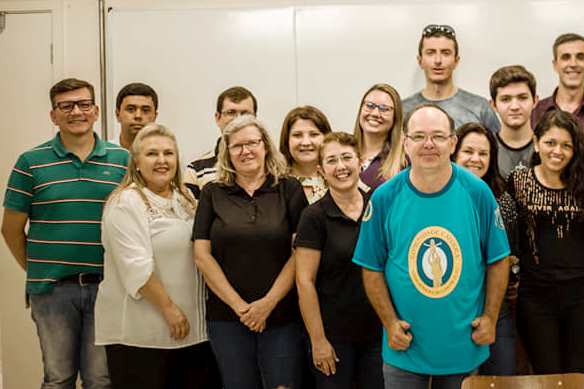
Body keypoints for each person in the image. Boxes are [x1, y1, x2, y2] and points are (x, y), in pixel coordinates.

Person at [354, 104, 510, 389]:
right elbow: (371, 266)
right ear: (405, 142)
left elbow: (498, 259)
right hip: (404, 349)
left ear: (452, 143)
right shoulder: (384, 197)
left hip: (462, 347)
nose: (428, 144)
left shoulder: (478, 193)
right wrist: (389, 323)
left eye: (438, 136)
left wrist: (490, 317)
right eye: (419, 136)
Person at [1, 78, 128, 389]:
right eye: (66, 106)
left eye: (84, 104)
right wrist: (39, 269)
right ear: (53, 115)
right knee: (58, 379)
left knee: (100, 380)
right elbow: (10, 229)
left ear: (96, 111)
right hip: (52, 291)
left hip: (108, 288)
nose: (76, 112)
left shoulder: (123, 160)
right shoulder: (30, 163)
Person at [95, 123, 217, 389]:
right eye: (152, 154)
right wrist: (169, 309)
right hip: (141, 335)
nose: (162, 160)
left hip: (192, 333)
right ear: (136, 162)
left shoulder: (184, 198)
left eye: (168, 153)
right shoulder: (126, 203)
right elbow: (135, 266)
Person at [192, 115, 308, 389]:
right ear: (227, 153)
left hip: (281, 315)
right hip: (227, 318)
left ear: (265, 146)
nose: (246, 151)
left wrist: (267, 304)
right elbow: (201, 256)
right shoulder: (212, 192)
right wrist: (241, 307)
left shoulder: (289, 189)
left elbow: (300, 254)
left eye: (252, 143)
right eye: (237, 146)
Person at [505, 111, 584, 386]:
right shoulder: (519, 181)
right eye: (550, 143)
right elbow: (508, 236)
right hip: (535, 297)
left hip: (582, 295)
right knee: (548, 376)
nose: (557, 151)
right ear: (536, 143)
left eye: (566, 145)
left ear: (575, 150)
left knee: (582, 375)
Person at [295, 132, 384, 389]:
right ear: (322, 170)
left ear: (359, 163)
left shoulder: (377, 208)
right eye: (332, 161)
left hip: (377, 335)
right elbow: (304, 282)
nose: (341, 166)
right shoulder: (313, 217)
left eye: (347, 158)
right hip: (332, 338)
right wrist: (318, 340)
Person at [452, 122, 518, 376]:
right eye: (468, 152)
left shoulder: (502, 201)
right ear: (454, 153)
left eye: (483, 153)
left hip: (495, 309)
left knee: (502, 377)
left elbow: (511, 256)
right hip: (452, 310)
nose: (475, 159)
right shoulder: (436, 196)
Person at [401, 24, 501, 133]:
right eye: (430, 53)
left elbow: (497, 148)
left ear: (456, 61)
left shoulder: (480, 108)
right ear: (420, 61)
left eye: (446, 53)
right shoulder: (403, 110)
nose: (438, 60)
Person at [532, 33, 584, 163]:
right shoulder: (535, 111)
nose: (573, 64)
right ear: (555, 65)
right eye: (566, 57)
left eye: (580, 57)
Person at [184, 86, 257, 198]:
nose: (238, 119)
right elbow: (191, 214)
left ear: (255, 119)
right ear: (218, 118)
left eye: (245, 113)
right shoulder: (196, 170)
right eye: (231, 112)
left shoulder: (271, 166)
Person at [353, 83, 407, 190]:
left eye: (384, 109)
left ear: (395, 117)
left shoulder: (405, 161)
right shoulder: (343, 152)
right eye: (369, 106)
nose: (375, 113)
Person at [489, 65, 537, 178]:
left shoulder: (549, 149)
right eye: (505, 99)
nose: (514, 106)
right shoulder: (486, 150)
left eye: (522, 98)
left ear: (535, 101)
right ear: (493, 105)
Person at [279, 105, 333, 203]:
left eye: (314, 134)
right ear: (287, 140)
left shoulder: (338, 178)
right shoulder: (275, 182)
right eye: (297, 135)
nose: (306, 142)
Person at [114, 82, 159, 149]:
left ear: (155, 117)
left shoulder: (163, 156)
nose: (138, 116)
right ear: (118, 115)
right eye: (130, 109)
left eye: (145, 110)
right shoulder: (103, 155)